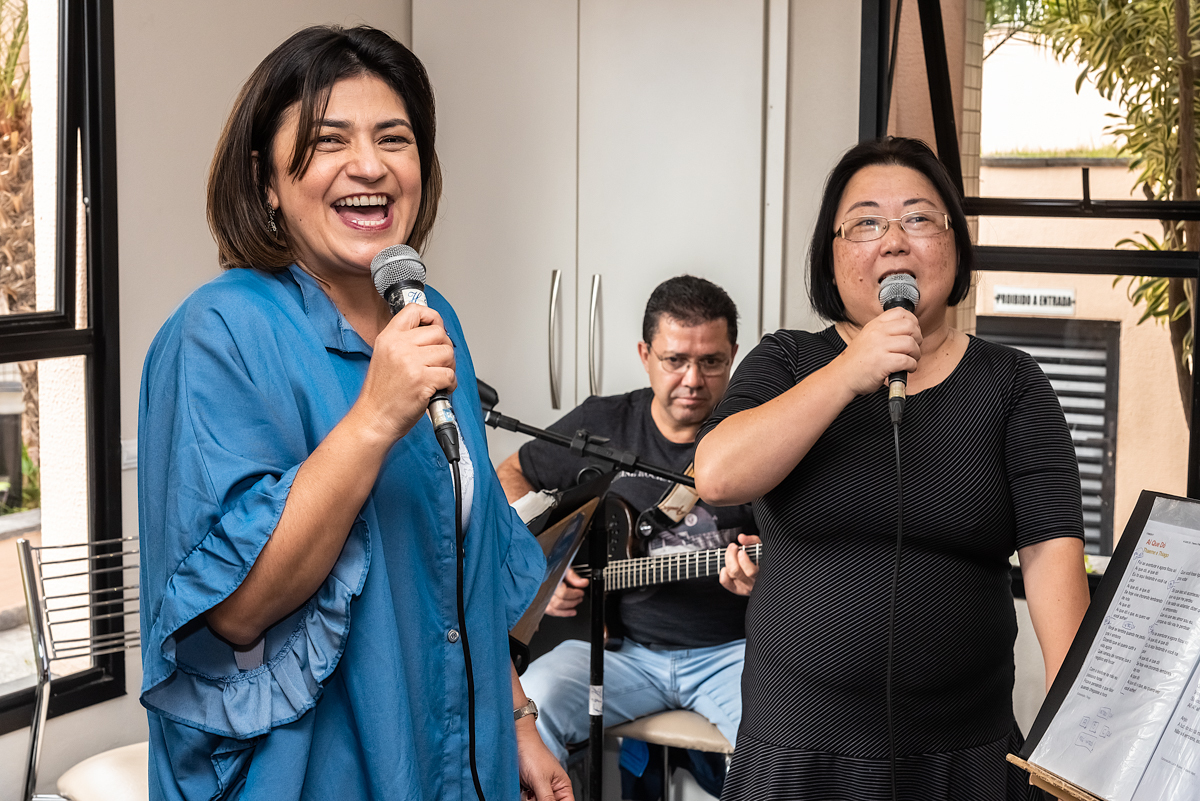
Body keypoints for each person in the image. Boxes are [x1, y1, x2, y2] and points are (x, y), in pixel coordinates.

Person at [137, 25, 570, 801]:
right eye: (327, 140)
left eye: (394, 138)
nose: (369, 166)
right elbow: (237, 611)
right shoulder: (218, 332)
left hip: (456, 759)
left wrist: (517, 721)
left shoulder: (431, 318)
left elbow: (462, 566)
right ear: (265, 179)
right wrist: (374, 417)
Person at [693, 137, 1091, 801]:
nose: (895, 240)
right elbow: (718, 472)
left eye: (919, 218)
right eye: (867, 222)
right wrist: (851, 370)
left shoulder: (1012, 383)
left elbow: (1055, 564)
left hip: (963, 762)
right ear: (832, 251)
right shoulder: (786, 361)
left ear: (955, 244)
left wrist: (1073, 749)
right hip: (796, 761)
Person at [496, 275, 761, 769]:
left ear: (734, 356)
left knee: (787, 741)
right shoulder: (603, 423)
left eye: (711, 362)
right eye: (675, 360)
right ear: (645, 355)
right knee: (526, 708)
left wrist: (769, 582)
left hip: (735, 653)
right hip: (619, 653)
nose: (692, 380)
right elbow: (510, 474)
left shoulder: (760, 434)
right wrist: (540, 566)